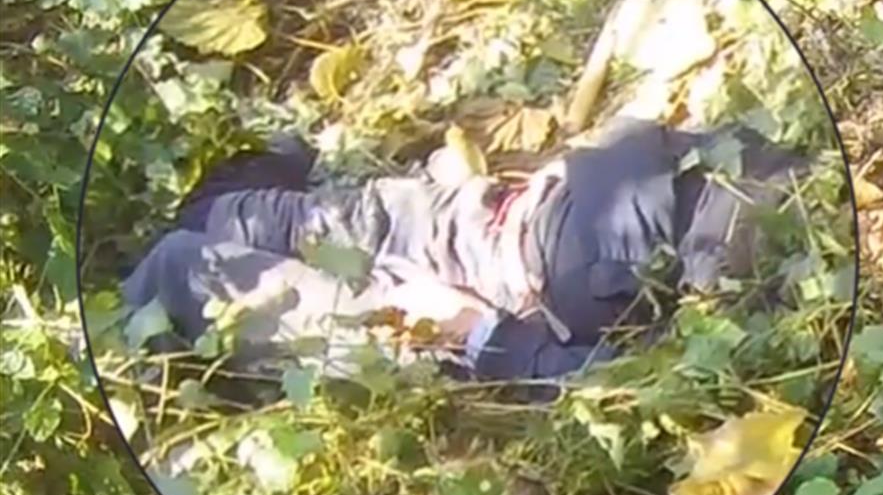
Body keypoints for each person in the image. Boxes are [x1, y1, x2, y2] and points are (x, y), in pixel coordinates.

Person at [121, 118, 801, 388]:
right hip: (472, 217)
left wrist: (480, 337)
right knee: (227, 215)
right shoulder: (790, 178)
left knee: (180, 269)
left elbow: (639, 384)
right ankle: (273, 162)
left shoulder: (752, 295)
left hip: (453, 297)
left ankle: (107, 362)